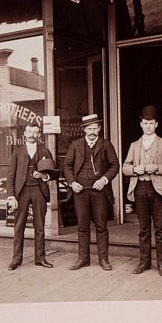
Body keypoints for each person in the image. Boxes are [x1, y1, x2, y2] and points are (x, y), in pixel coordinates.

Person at [122, 105, 162, 276]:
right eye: (145, 123)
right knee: (143, 228)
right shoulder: (134, 145)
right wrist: (134, 170)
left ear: (156, 125)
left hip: (158, 190)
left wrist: (156, 167)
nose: (148, 126)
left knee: (160, 227)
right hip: (140, 188)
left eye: (151, 123)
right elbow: (124, 167)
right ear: (141, 124)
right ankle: (144, 263)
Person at [63, 113, 120, 271]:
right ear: (84, 130)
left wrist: (104, 180)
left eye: (95, 128)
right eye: (89, 128)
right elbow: (67, 166)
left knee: (101, 226)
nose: (92, 131)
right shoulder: (75, 145)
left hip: (99, 192)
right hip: (80, 192)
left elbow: (114, 165)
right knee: (82, 226)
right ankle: (83, 259)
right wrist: (72, 182)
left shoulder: (106, 145)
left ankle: (103, 259)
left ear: (99, 129)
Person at [6, 119, 54, 270]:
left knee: (39, 226)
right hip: (22, 191)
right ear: (25, 134)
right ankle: (16, 259)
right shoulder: (17, 151)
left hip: (39, 191)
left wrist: (44, 177)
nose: (32, 135)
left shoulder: (44, 151)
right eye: (30, 132)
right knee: (19, 226)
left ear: (39, 134)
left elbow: (53, 173)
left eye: (35, 132)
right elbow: (10, 175)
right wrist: (11, 196)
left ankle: (40, 258)